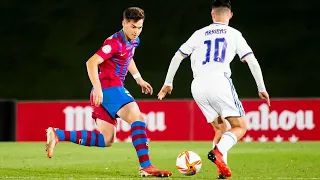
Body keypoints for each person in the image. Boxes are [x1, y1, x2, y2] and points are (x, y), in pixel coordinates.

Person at [45, 7, 172, 178]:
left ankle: (58, 134)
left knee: (106, 139)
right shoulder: (113, 42)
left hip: (106, 90)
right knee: (138, 118)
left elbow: (128, 57)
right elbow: (91, 63)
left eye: (140, 27)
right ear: (124, 23)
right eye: (133, 27)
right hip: (108, 87)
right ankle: (146, 166)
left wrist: (138, 78)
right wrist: (98, 88)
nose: (136, 31)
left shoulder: (134, 40)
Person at [157, 0, 270, 178]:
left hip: (197, 86)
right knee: (240, 127)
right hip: (219, 82)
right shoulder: (234, 34)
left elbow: (177, 56)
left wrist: (168, 82)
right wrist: (261, 87)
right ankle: (218, 151)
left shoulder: (198, 34)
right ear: (230, 15)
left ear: (212, 14)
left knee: (220, 129)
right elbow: (253, 62)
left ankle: (221, 170)